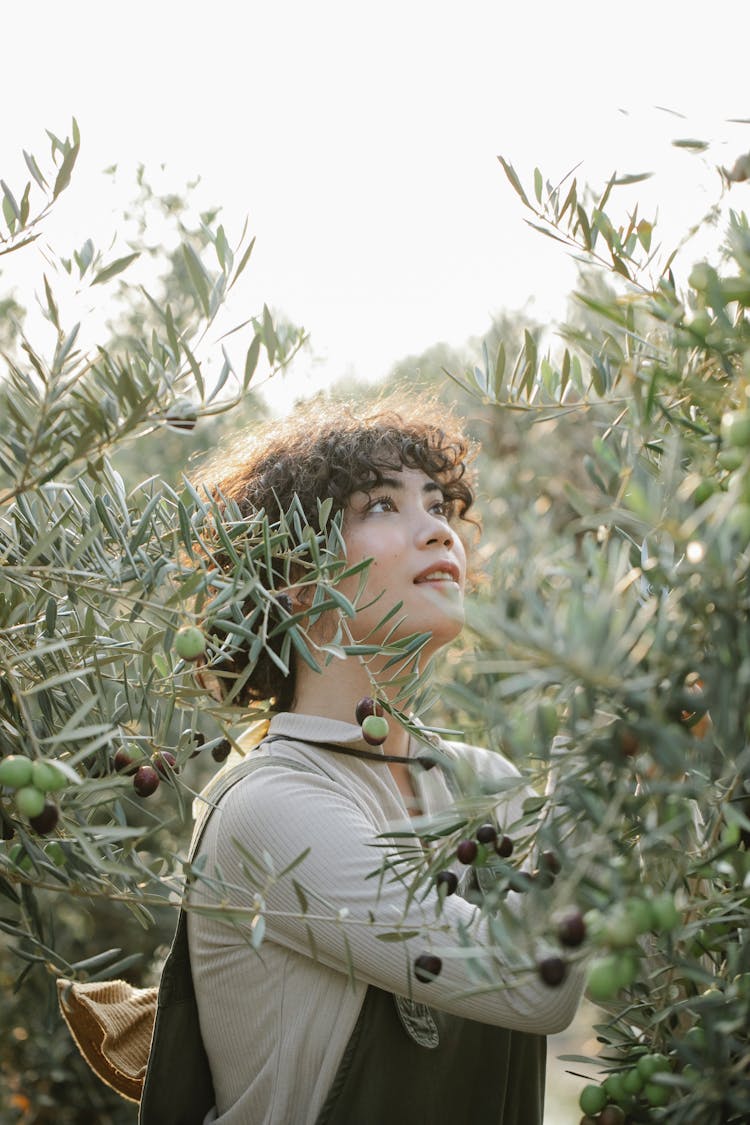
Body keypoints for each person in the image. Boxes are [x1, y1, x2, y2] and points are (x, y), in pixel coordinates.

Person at [182, 394, 584, 1125]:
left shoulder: (483, 784)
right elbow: (536, 981)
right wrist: (608, 714)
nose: (438, 530)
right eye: (380, 505)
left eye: (439, 503)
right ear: (294, 577)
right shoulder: (268, 810)